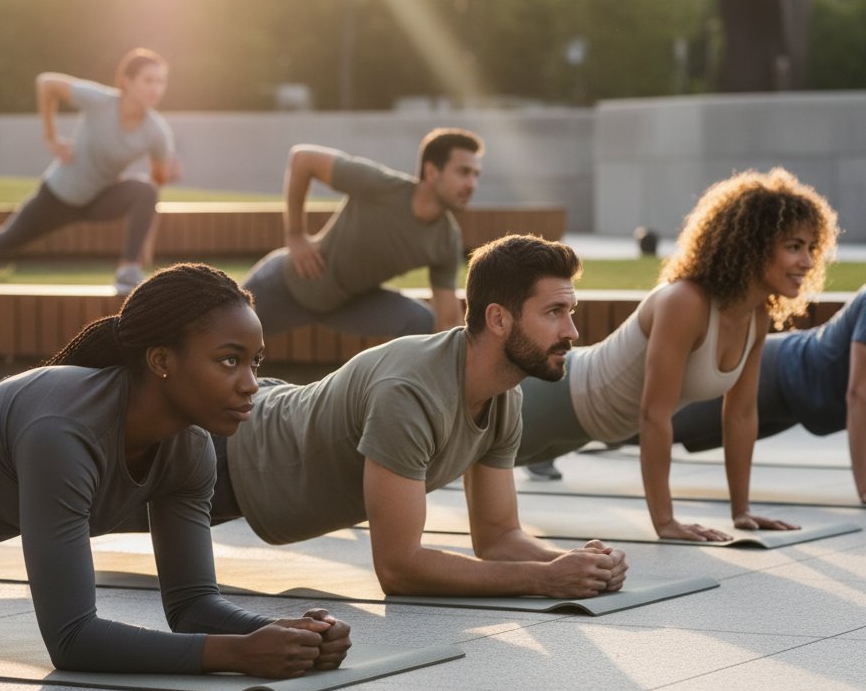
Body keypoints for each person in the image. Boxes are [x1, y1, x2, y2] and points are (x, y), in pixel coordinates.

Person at [0, 263, 351, 678]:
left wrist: (282, 635)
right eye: (228, 360)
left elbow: (193, 603)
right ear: (160, 360)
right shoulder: (63, 430)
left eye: (255, 363)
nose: (250, 385)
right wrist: (239, 656)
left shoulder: (190, 449)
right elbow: (72, 639)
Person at [213, 234, 628, 600]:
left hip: (249, 463)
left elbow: (499, 537)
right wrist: (544, 580)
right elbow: (398, 567)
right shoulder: (409, 392)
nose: (572, 331)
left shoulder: (504, 397)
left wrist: (575, 564)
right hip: (218, 445)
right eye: (555, 311)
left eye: (570, 311)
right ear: (498, 318)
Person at [513, 168, 838, 542]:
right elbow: (654, 414)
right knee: (441, 465)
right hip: (552, 398)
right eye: (794, 247)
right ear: (753, 245)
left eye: (811, 249)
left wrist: (742, 511)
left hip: (584, 431)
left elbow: (741, 414)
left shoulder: (757, 316)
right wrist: (665, 522)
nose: (808, 262)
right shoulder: (686, 302)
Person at [0, 48, 177, 295]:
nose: (156, 88)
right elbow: (46, 83)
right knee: (8, 240)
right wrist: (50, 137)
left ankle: (128, 270)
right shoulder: (100, 101)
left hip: (99, 199)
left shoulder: (157, 132)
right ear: (126, 81)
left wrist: (144, 244)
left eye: (161, 82)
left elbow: (155, 186)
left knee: (143, 189)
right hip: (59, 196)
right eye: (149, 80)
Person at [242, 128, 483, 338]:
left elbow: (449, 322)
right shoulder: (382, 187)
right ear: (431, 172)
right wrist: (295, 235)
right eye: (463, 172)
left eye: (475, 175)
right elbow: (303, 158)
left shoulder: (446, 240)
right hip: (290, 285)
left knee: (420, 319)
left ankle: (398, 389)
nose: (472, 184)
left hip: (349, 304)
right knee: (221, 332)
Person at [671, 286, 866, 504]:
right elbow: (859, 394)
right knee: (650, 424)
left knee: (699, 436)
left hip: (796, 404)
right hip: (775, 372)